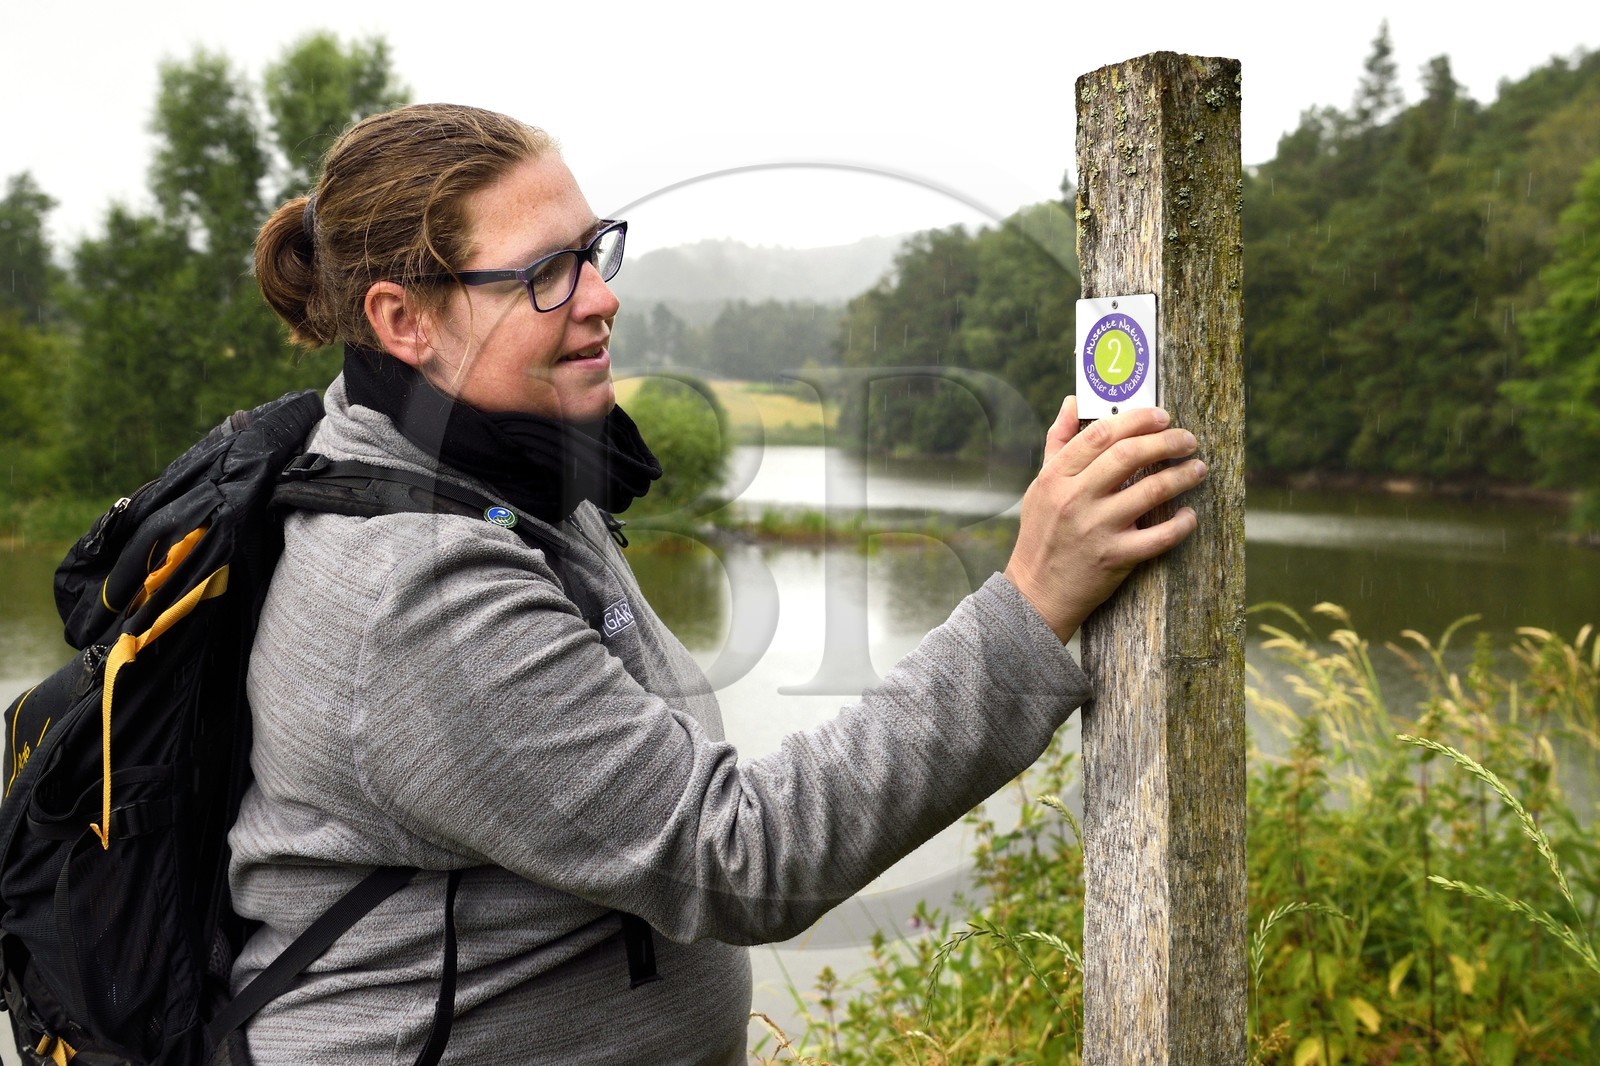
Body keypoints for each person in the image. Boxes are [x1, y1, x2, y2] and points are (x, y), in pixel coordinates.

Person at [237, 101, 1206, 1065]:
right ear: (402, 320)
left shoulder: (503, 480)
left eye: (593, 249)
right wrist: (1033, 597)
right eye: (542, 274)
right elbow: (740, 855)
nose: (598, 297)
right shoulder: (415, 591)